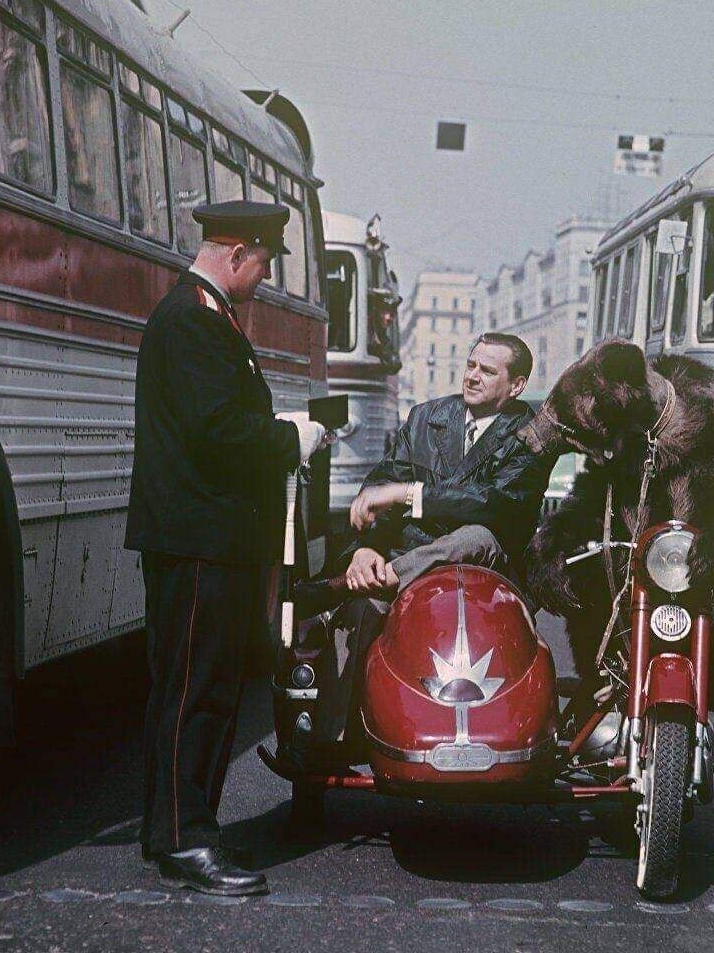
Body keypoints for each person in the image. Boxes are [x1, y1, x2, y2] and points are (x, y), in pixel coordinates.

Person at [125, 201, 329, 896]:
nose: (267, 277)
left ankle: (172, 829)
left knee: (188, 688)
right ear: (237, 252)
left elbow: (211, 421)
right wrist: (288, 440)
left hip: (202, 536)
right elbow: (216, 432)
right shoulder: (193, 321)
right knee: (195, 692)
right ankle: (188, 840)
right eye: (266, 262)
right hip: (199, 539)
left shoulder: (202, 317)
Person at [291, 333, 554, 761]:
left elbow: (495, 503)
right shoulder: (427, 418)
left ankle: (375, 580)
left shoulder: (531, 432)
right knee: (361, 611)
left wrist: (407, 495)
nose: (472, 376)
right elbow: (383, 479)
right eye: (471, 365)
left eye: (487, 371)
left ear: (517, 385)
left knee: (475, 537)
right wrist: (368, 549)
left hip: (488, 571)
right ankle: (332, 740)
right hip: (411, 563)